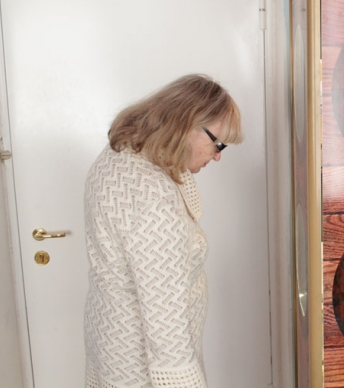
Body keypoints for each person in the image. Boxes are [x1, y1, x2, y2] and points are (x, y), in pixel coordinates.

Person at [83, 74, 243, 388]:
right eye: (218, 143)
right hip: (140, 366)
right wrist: (184, 381)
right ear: (187, 125)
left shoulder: (118, 155)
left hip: (109, 338)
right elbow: (165, 322)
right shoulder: (153, 196)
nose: (218, 155)